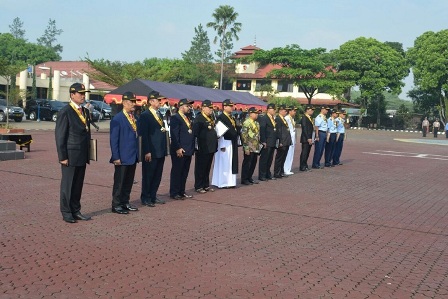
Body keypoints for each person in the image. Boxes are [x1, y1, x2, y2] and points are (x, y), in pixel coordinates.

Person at [55, 83, 92, 223]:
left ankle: (76, 210)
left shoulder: (85, 111)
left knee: (78, 184)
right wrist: (62, 156)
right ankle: (66, 212)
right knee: (68, 184)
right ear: (72, 95)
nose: (83, 96)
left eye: (84, 93)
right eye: (80, 93)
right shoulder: (65, 111)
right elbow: (60, 136)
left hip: (82, 154)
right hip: (70, 154)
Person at [110, 92, 139, 215]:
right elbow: (113, 139)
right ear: (124, 103)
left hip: (132, 155)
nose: (133, 104)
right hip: (122, 156)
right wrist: (116, 156)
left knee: (128, 181)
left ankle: (125, 202)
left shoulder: (133, 117)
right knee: (119, 182)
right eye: (131, 102)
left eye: (134, 102)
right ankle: (116, 204)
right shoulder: (118, 118)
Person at [138, 92, 167, 207]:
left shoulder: (159, 114)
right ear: (151, 101)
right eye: (157, 100)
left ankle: (153, 195)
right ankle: (146, 197)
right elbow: (144, 135)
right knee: (148, 175)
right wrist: (147, 151)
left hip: (160, 149)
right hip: (151, 150)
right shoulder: (145, 115)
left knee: (157, 175)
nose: (160, 102)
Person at [169, 98, 195, 200]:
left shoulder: (187, 118)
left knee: (184, 171)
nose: (189, 108)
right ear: (181, 106)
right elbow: (174, 134)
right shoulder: (176, 118)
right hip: (180, 150)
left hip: (188, 149)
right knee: (177, 171)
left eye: (189, 106)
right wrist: (178, 147)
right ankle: (174, 192)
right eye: (187, 106)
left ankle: (181, 191)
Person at [212, 99, 239, 189]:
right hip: (225, 142)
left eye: (232, 106)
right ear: (225, 107)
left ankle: (229, 181)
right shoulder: (221, 117)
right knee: (224, 162)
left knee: (230, 162)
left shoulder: (231, 117)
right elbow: (220, 131)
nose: (232, 108)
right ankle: (222, 182)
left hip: (231, 142)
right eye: (230, 106)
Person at [193, 100, 218, 194]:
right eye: (209, 108)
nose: (211, 110)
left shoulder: (210, 118)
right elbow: (196, 133)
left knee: (207, 167)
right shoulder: (199, 119)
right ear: (203, 108)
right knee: (200, 167)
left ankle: (206, 184)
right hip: (202, 147)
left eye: (211, 108)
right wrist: (197, 146)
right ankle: (199, 186)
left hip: (210, 147)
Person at [240, 107, 261, 185]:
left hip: (255, 146)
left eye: (257, 114)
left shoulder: (257, 123)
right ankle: (244, 179)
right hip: (249, 146)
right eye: (255, 113)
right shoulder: (246, 123)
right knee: (247, 163)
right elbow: (244, 135)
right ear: (250, 114)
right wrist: (246, 147)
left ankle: (249, 177)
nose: (256, 115)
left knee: (253, 163)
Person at [258, 103, 277, 181]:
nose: (274, 111)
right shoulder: (264, 118)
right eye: (273, 109)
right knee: (264, 159)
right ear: (269, 109)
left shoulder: (273, 118)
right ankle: (262, 175)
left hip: (272, 141)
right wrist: (263, 141)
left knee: (270, 159)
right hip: (267, 141)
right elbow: (262, 130)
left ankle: (267, 173)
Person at [273, 105, 292, 178]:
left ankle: (281, 171)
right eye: (285, 111)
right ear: (280, 111)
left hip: (286, 141)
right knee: (279, 158)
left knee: (283, 157)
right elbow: (279, 131)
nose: (286, 112)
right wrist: (280, 141)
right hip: (282, 141)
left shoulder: (283, 119)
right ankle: (277, 172)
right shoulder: (278, 119)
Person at [299, 105, 315, 172]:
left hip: (310, 137)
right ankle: (302, 166)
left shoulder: (309, 118)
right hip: (306, 138)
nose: (312, 111)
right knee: (304, 152)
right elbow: (305, 128)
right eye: (311, 110)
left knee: (307, 152)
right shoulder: (304, 118)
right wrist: (308, 137)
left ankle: (305, 165)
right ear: (307, 110)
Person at [283, 106, 297, 175]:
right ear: (290, 111)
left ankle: (288, 168)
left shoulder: (292, 118)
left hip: (292, 136)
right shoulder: (287, 118)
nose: (295, 112)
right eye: (294, 111)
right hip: (289, 136)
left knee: (291, 153)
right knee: (288, 153)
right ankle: (286, 168)